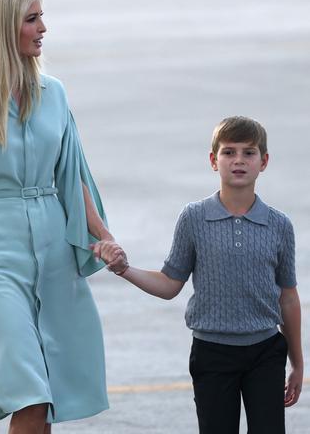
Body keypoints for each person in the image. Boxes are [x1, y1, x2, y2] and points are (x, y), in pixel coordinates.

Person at [0, 0, 122, 434]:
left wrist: (104, 237)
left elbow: (73, 176)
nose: (43, 28)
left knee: (49, 390)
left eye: (41, 17)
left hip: (54, 247)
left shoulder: (53, 93)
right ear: (2, 27)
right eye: (32, 18)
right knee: (28, 392)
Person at [95, 116, 304, 434]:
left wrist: (298, 363)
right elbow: (169, 284)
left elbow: (288, 297)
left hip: (265, 350)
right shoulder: (194, 218)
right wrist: (125, 270)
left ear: (263, 162)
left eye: (248, 153)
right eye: (228, 152)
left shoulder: (279, 225)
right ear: (213, 160)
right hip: (212, 352)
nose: (238, 160)